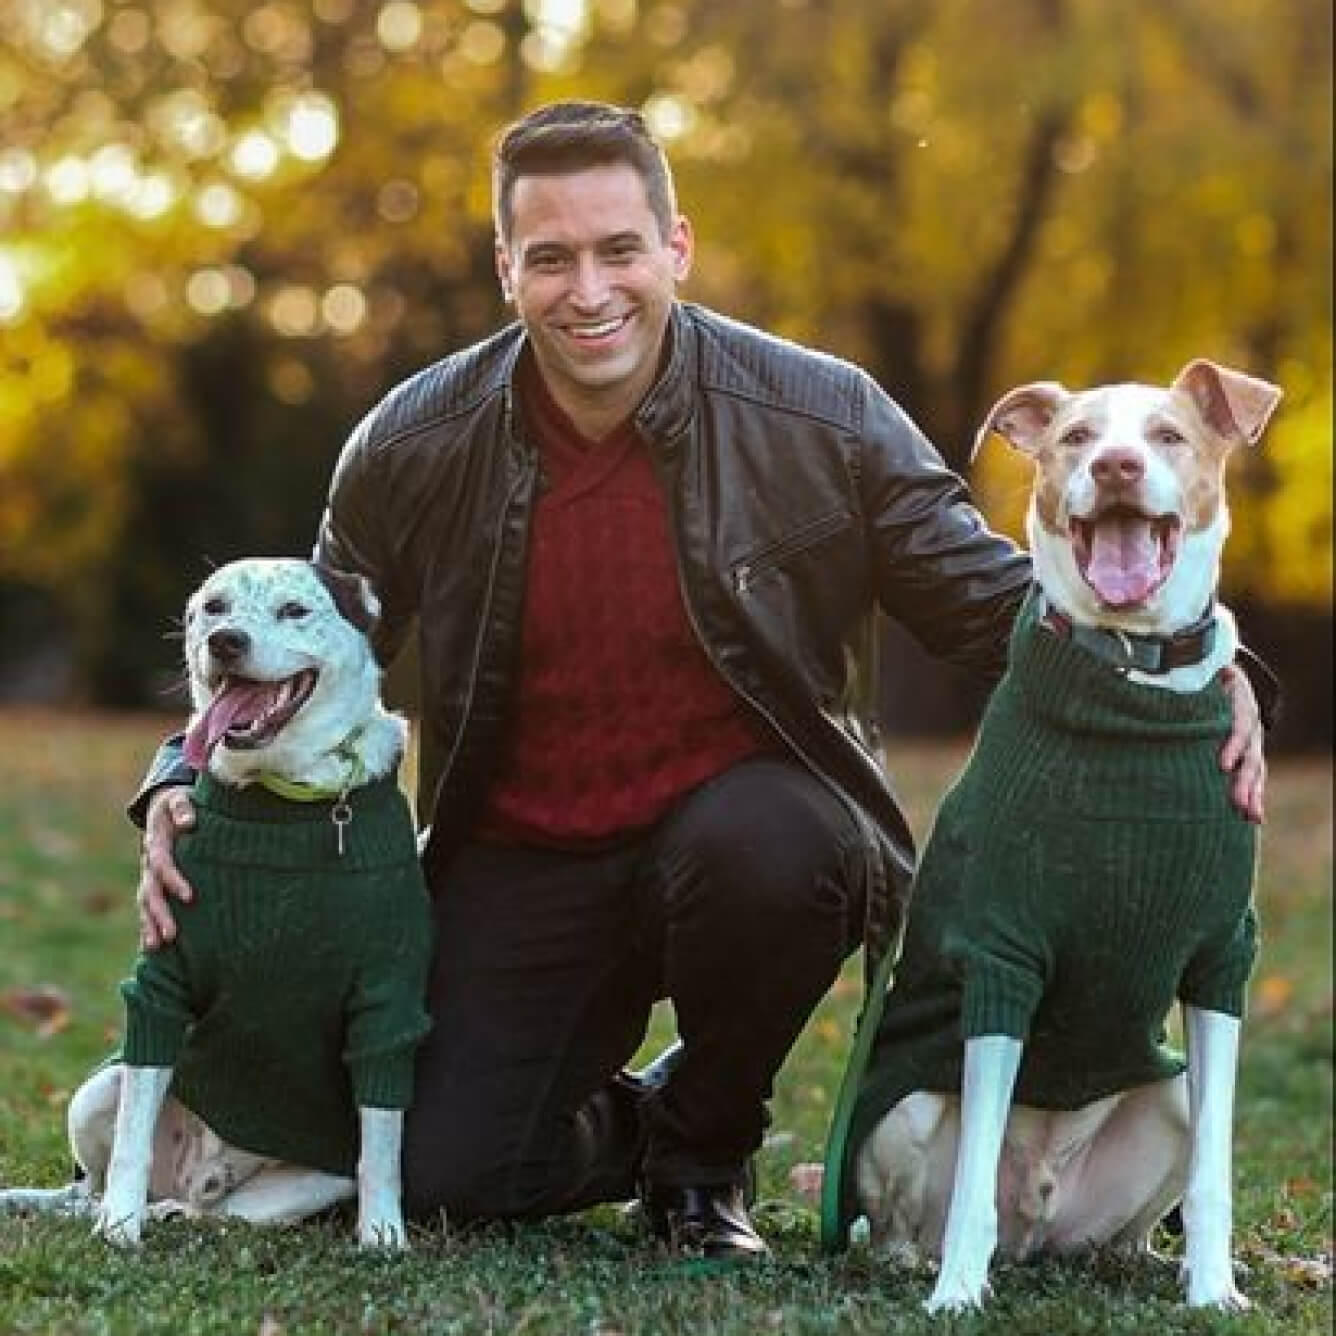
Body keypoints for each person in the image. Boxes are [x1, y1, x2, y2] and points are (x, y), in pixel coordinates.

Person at [132, 100, 1268, 1260]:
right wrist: (180, 773)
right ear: (505, 268)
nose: (589, 291)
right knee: (450, 1174)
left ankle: (703, 1153)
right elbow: (309, 635)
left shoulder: (823, 414)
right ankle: (639, 1122)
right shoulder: (414, 438)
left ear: (675, 246)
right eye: (551, 258)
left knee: (770, 848)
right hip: (523, 853)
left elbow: (992, 605)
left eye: (619, 250)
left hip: (756, 839)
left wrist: (1200, 669)